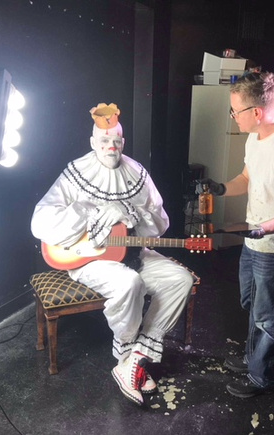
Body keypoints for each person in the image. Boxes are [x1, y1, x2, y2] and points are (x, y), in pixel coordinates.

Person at [31, 103, 194, 406]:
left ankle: (133, 360)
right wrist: (89, 210)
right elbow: (40, 220)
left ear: (123, 142)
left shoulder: (138, 173)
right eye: (104, 141)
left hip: (132, 252)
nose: (110, 146)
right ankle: (128, 351)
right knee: (128, 284)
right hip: (89, 258)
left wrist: (129, 211)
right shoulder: (76, 172)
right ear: (93, 143)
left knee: (180, 279)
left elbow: (159, 222)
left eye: (116, 141)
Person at [196, 72, 274, 398]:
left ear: (257, 112)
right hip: (255, 239)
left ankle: (263, 378)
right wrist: (220, 188)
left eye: (235, 111)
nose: (233, 117)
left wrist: (263, 228)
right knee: (251, 301)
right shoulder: (255, 137)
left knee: (269, 315)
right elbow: (248, 177)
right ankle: (253, 357)